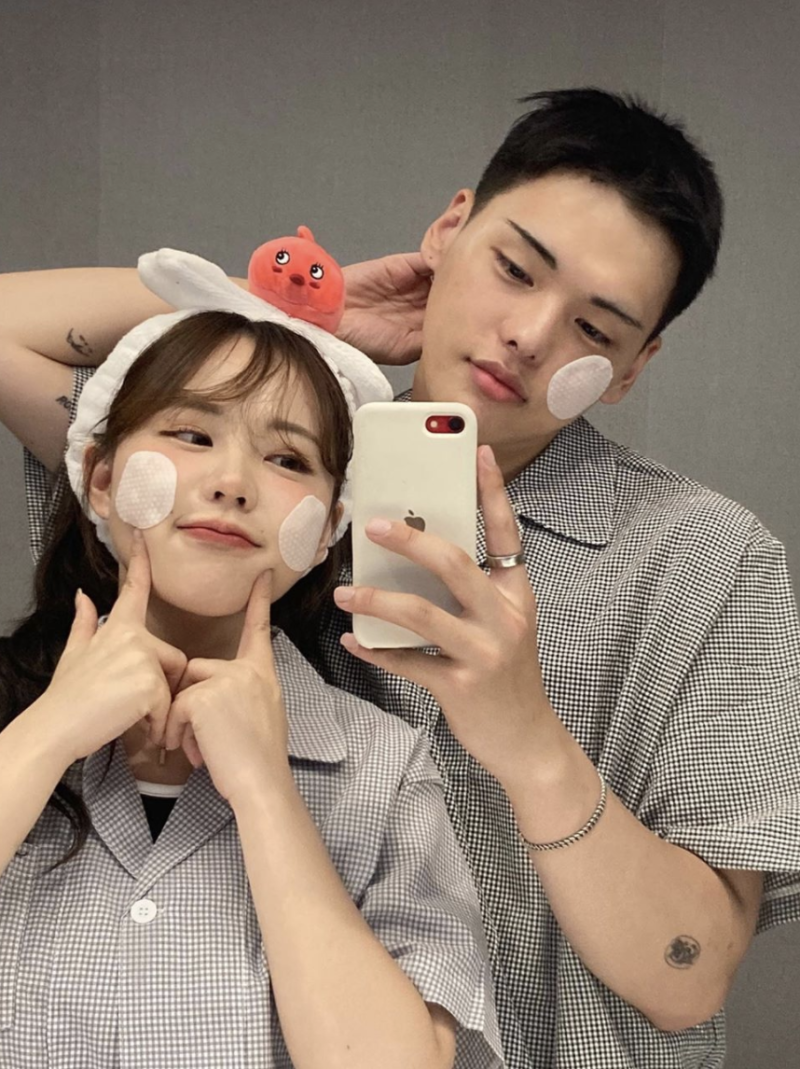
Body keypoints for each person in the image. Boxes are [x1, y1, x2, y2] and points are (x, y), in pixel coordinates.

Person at [2, 87, 799, 1068]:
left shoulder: (708, 561)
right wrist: (288, 313)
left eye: (595, 329)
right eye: (513, 268)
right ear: (449, 231)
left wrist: (527, 739)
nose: (529, 333)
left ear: (634, 366)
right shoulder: (268, 485)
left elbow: (688, 976)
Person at [0, 299, 505, 1067]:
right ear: (100, 479)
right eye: (193, 435)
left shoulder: (385, 769)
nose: (233, 483)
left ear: (328, 526)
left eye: (288, 459)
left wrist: (268, 793)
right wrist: (45, 735)